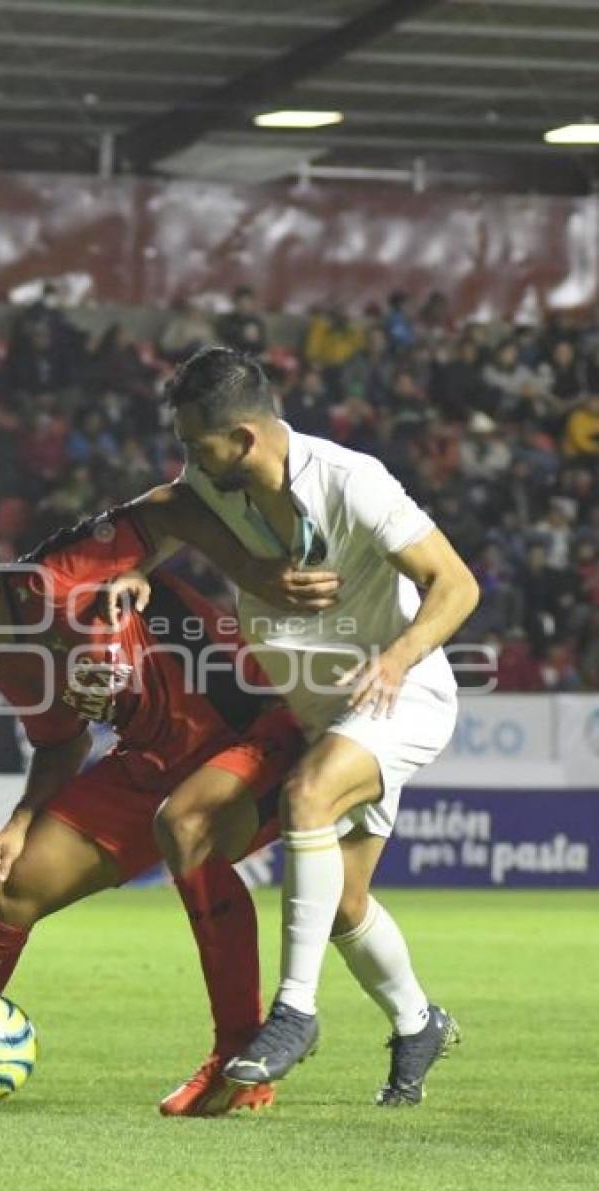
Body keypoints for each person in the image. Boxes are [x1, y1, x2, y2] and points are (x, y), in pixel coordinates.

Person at [0, 513, 306, 1117]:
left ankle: (241, 1060)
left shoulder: (58, 573)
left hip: (255, 725)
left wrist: (155, 569)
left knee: (189, 831)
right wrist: (20, 823)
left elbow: (176, 502)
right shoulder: (8, 659)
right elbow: (62, 744)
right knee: (13, 884)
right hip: (154, 759)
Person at [113, 346, 480, 1105]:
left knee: (306, 796)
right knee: (344, 903)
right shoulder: (210, 488)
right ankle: (420, 1022)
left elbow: (457, 583)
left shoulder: (353, 481)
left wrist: (398, 659)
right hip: (321, 712)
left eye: (195, 443)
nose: (187, 458)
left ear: (243, 438)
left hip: (398, 696)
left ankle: (294, 1012)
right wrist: (135, 570)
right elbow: (159, 508)